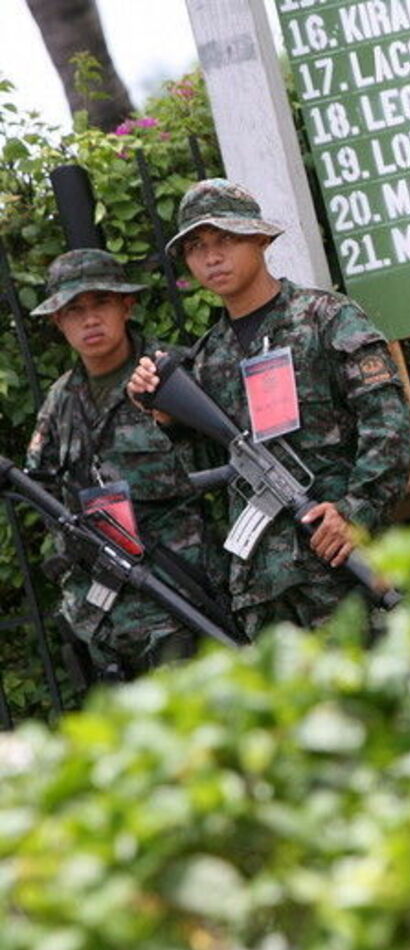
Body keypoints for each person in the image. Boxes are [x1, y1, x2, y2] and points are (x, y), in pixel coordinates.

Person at [128, 179, 410, 636]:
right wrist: (165, 418)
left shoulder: (326, 317)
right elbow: (200, 474)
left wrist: (355, 511)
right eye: (197, 246)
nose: (212, 256)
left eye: (225, 239)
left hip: (339, 564)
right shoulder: (206, 358)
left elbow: (389, 424)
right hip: (261, 589)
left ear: (260, 238)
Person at [26, 249, 217, 678]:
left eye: (101, 304)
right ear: (58, 321)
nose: (89, 320)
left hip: (182, 597)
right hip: (104, 616)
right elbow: (47, 499)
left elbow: (231, 459)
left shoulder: (173, 376)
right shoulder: (60, 403)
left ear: (126, 305)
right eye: (75, 310)